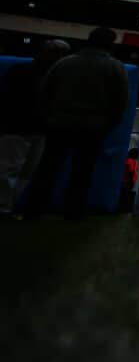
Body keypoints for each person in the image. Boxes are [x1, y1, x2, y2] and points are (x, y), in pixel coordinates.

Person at [20, 28, 132, 220]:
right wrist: (109, 123)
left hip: (60, 123)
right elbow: (121, 100)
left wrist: (50, 117)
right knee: (83, 171)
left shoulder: (65, 63)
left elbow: (45, 92)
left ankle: (34, 209)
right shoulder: (115, 67)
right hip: (93, 126)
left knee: (48, 168)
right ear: (110, 44)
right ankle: (74, 211)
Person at [1, 39, 70, 212]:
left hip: (31, 128)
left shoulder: (22, 71)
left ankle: (7, 206)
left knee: (20, 172)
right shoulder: (50, 77)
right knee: (13, 170)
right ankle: (5, 206)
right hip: (21, 128)